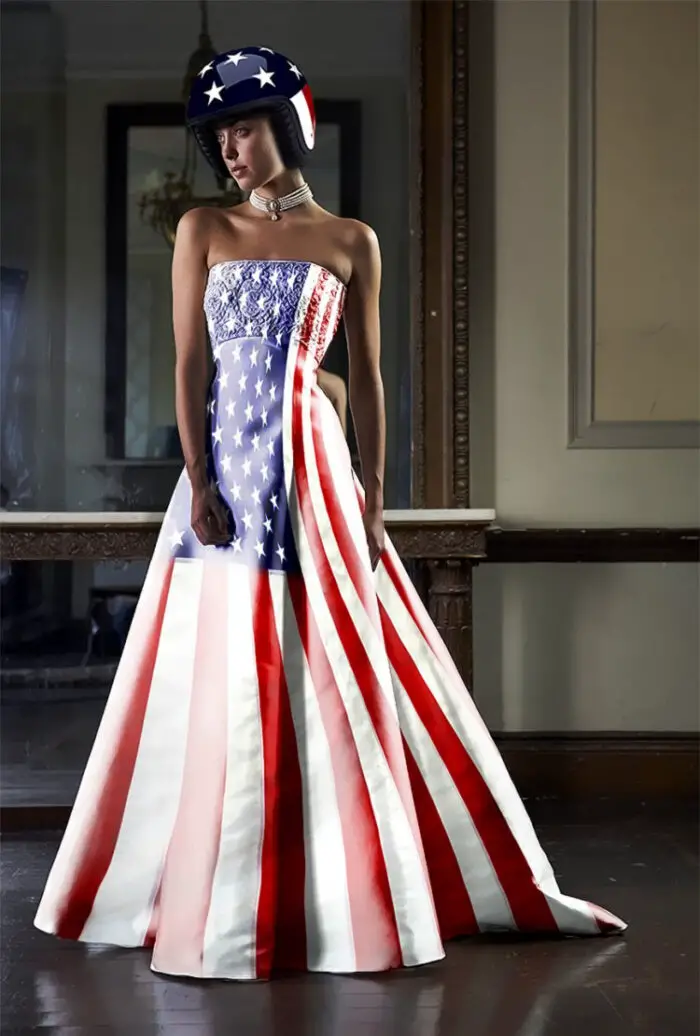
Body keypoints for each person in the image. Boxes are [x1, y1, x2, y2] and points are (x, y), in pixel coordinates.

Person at [34, 46, 626, 981]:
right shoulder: (201, 230)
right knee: (224, 666)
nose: (230, 148)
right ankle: (222, 888)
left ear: (289, 125)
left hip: (316, 463)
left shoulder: (352, 240)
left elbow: (375, 380)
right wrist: (198, 475)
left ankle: (345, 886)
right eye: (220, 132)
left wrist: (379, 495)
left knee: (330, 657)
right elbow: (190, 365)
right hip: (225, 463)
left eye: (246, 126)